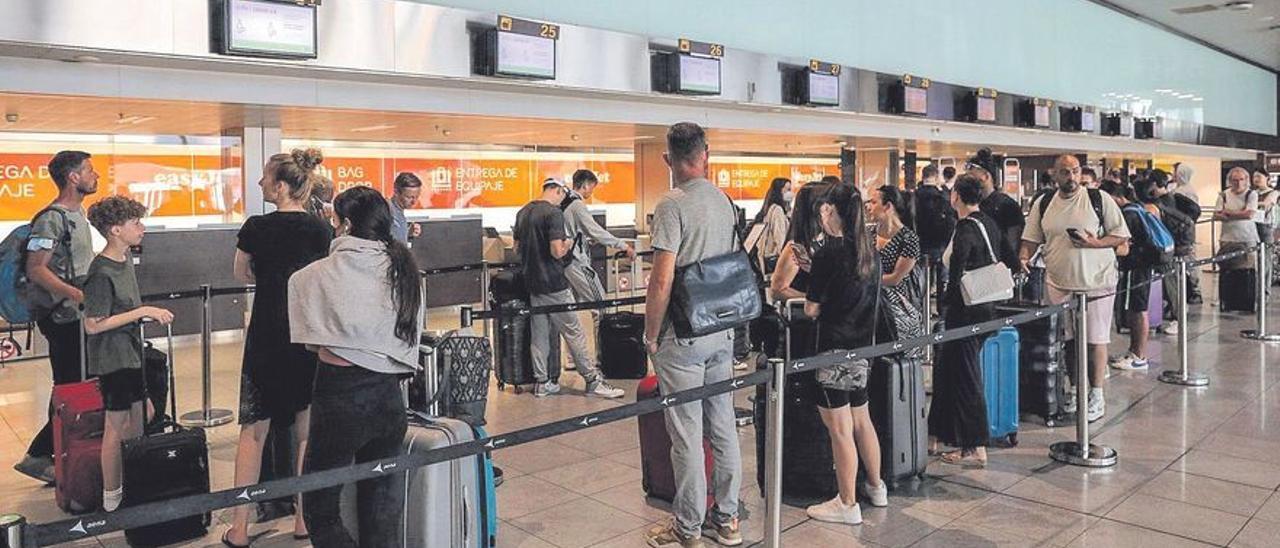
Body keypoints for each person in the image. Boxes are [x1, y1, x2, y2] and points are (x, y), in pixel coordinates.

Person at [287, 186, 425, 548]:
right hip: (389, 398)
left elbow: (309, 338)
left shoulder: (313, 275)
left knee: (320, 505)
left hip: (340, 395)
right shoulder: (404, 271)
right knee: (381, 504)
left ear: (345, 224)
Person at [224, 149, 333, 547]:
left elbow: (241, 272)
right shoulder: (322, 230)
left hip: (267, 333)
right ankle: (304, 518)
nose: (260, 184)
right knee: (307, 427)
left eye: (265, 178)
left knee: (253, 430)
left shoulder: (255, 227)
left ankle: (239, 526)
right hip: (306, 334)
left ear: (282, 186)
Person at [642, 122, 743, 548]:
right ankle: (729, 519)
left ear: (668, 159)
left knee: (685, 432)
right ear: (706, 155)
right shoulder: (724, 200)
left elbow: (662, 279)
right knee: (723, 425)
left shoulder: (671, 204)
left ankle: (687, 527)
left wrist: (650, 334)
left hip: (682, 334)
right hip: (722, 328)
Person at [800, 183, 888, 524]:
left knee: (839, 428)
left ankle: (847, 503)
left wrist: (813, 281)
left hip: (832, 350)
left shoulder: (828, 253)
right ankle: (876, 487)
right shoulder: (870, 251)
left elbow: (811, 309)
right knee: (861, 419)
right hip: (863, 347)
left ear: (832, 211)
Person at [1020, 155, 1130, 423]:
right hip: (1058, 282)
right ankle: (1073, 388)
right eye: (1065, 172)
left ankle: (1096, 394)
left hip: (1097, 282)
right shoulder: (1044, 203)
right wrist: (1024, 257)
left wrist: (1095, 243)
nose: (1071, 177)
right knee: (1067, 340)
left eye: (1075, 171)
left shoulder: (1098, 199)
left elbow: (1121, 236)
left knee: (1096, 339)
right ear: (1054, 175)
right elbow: (1031, 238)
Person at [82, 196, 174, 511]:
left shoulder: (123, 262)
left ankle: (134, 482)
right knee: (116, 424)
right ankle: (112, 495)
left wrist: (139, 314)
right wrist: (142, 311)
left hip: (131, 354)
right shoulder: (101, 271)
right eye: (136, 223)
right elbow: (93, 325)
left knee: (141, 415)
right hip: (114, 358)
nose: (142, 229)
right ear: (116, 229)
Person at [13, 150, 98, 484]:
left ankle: (67, 453)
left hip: (79, 315)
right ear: (72, 177)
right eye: (89, 170)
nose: (95, 176)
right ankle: (37, 455)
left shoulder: (80, 214)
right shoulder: (52, 218)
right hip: (63, 318)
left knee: (78, 384)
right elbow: (36, 269)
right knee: (69, 387)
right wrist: (75, 294)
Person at [929, 174, 1019, 466]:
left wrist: (946, 300)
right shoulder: (989, 222)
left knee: (967, 378)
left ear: (956, 196)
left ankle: (975, 446)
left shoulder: (966, 228)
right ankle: (939, 436)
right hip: (987, 308)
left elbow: (956, 271)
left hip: (964, 313)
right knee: (948, 371)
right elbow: (1010, 257)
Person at [513, 179, 625, 399]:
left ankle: (542, 382)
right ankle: (593, 381)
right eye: (562, 195)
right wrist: (569, 243)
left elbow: (517, 248)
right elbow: (557, 251)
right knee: (574, 332)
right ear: (557, 190)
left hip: (533, 284)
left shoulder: (523, 212)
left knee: (540, 334)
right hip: (554, 284)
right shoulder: (552, 213)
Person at [562, 169, 636, 335]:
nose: (591, 192)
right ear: (586, 185)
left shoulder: (564, 202)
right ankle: (603, 354)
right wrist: (623, 245)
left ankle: (573, 358)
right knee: (601, 306)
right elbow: (596, 231)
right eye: (592, 188)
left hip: (564, 262)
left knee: (569, 313)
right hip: (576, 262)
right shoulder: (577, 205)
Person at [1101, 180, 1158, 371]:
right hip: (1143, 265)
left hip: (1136, 266)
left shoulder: (1128, 214)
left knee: (1137, 308)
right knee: (1137, 307)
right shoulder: (1138, 208)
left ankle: (1138, 355)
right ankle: (1135, 352)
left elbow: (1122, 244)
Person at [770, 181, 832, 303]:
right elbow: (778, 290)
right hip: (807, 316)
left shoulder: (827, 239)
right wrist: (814, 300)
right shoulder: (796, 247)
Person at [869, 185, 921, 304]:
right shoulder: (868, 234)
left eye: (873, 202)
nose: (868, 207)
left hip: (895, 302)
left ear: (888, 206)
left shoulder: (909, 239)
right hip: (868, 298)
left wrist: (865, 281)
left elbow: (895, 279)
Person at [912, 166, 954, 296]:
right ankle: (942, 309)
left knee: (921, 279)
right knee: (942, 279)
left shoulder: (913, 197)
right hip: (940, 244)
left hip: (918, 243)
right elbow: (950, 221)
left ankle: (922, 309)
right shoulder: (943, 197)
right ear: (936, 177)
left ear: (922, 176)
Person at [972, 163, 1024, 264]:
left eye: (973, 178)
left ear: (986, 177)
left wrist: (1010, 262)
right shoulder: (975, 205)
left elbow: (1014, 236)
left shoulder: (1006, 204)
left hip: (1000, 263)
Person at [1215, 167, 1260, 273]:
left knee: (1249, 268)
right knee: (1227, 268)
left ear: (1246, 180)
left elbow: (1249, 215)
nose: (1238, 183)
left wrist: (1228, 212)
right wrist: (1240, 213)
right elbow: (1217, 215)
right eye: (1235, 180)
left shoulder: (1251, 195)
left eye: (1241, 179)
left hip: (1247, 238)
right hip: (1228, 238)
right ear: (1230, 181)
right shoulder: (1224, 195)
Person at [749, 177, 792, 274]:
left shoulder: (769, 208)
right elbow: (780, 239)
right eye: (787, 189)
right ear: (779, 191)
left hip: (764, 259)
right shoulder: (777, 210)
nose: (790, 193)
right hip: (774, 261)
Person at [389, 172, 423, 244]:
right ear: (396, 192)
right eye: (409, 197)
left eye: (417, 197)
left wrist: (407, 233)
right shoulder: (387, 212)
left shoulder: (399, 211)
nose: (414, 201)